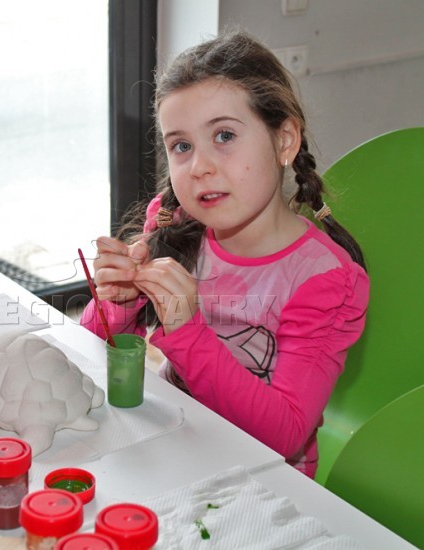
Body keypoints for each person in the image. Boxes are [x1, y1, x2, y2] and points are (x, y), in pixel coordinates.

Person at [81, 30, 369, 478]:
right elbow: (88, 354)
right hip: (174, 447)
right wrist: (119, 301)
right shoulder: (172, 223)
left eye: (225, 135)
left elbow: (285, 435)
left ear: (284, 141)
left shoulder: (326, 280)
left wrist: (186, 328)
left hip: (263, 485)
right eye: (181, 146)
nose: (200, 167)